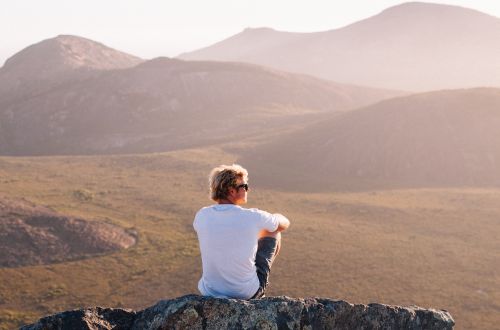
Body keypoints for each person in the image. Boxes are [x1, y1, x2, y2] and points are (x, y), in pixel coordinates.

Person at [193, 164, 290, 299]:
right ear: (232, 191)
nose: (247, 190)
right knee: (273, 232)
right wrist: (276, 216)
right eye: (244, 186)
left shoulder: (201, 215)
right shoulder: (253, 216)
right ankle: (259, 285)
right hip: (245, 293)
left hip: (210, 292)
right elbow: (284, 224)